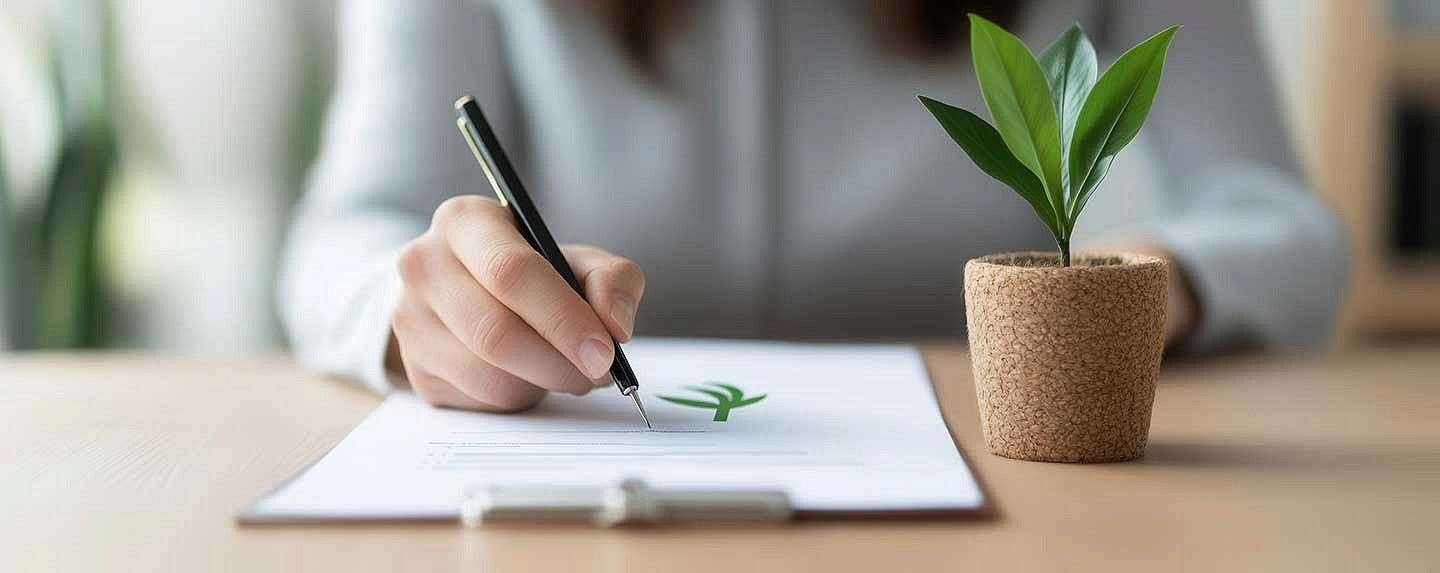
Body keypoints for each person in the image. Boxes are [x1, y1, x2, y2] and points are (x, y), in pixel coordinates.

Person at [279, 0, 1346, 412]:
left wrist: (1132, 289)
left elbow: (1286, 229)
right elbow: (345, 239)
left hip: (1013, 517)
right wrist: (421, 304)